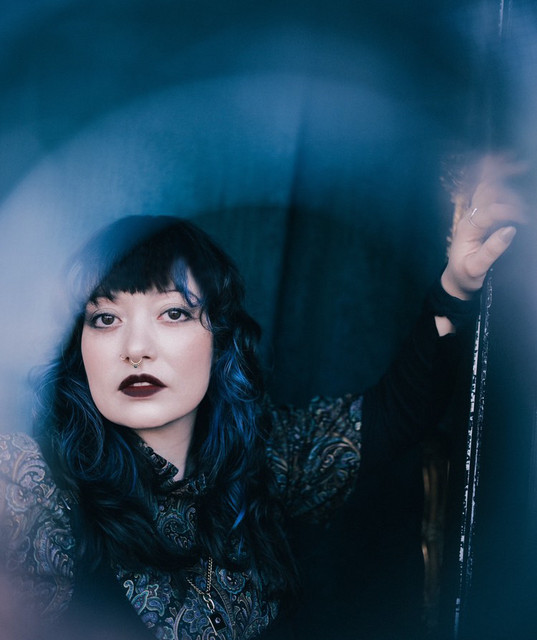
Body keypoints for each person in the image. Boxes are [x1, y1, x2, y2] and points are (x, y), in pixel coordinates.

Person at [0, 156, 526, 640]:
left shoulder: (263, 455)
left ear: (219, 340)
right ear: (80, 346)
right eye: (105, 319)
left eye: (174, 313)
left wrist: (456, 287)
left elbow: (396, 415)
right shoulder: (30, 482)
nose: (135, 348)